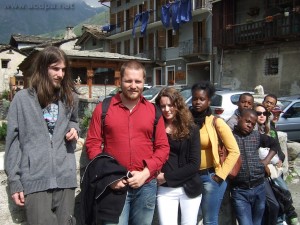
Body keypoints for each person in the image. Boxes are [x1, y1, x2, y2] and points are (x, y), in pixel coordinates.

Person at [85, 60, 170, 225]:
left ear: (144, 82)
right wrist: (109, 177)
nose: (133, 85)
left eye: (138, 81)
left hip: (146, 185)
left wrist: (146, 173)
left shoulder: (154, 111)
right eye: (128, 81)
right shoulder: (103, 109)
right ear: (120, 81)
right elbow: (93, 145)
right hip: (114, 186)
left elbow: (162, 147)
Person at [5, 46, 79, 225]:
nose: (60, 74)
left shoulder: (70, 98)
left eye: (63, 69)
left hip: (65, 180)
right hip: (35, 180)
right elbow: (13, 144)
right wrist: (15, 182)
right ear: (42, 68)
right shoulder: (21, 99)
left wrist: (74, 128)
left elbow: (74, 120)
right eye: (55, 68)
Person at [190, 81, 240, 225]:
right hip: (190, 177)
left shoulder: (216, 122)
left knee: (209, 220)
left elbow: (234, 151)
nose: (198, 102)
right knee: (189, 219)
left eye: (202, 99)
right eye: (195, 98)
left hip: (210, 177)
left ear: (208, 101)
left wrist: (221, 175)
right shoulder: (187, 121)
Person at [154, 87, 202, 225]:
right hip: (166, 190)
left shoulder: (191, 129)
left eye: (170, 105)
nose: (166, 109)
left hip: (189, 188)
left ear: (178, 105)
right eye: (162, 106)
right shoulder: (155, 128)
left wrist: (166, 177)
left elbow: (194, 164)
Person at [231, 109, 281, 225]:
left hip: (259, 187)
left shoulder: (256, 136)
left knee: (257, 222)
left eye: (253, 124)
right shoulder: (230, 137)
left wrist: (265, 161)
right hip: (239, 190)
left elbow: (274, 144)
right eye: (247, 121)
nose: (249, 126)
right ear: (239, 119)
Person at [255, 104, 300, 225]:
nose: (262, 116)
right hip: (263, 172)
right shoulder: (253, 132)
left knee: (282, 192)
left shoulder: (268, 128)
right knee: (276, 198)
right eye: (259, 113)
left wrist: (280, 157)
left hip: (274, 169)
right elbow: (261, 154)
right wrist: (268, 162)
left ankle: (287, 216)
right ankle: (285, 218)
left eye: (265, 113)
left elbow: (276, 146)